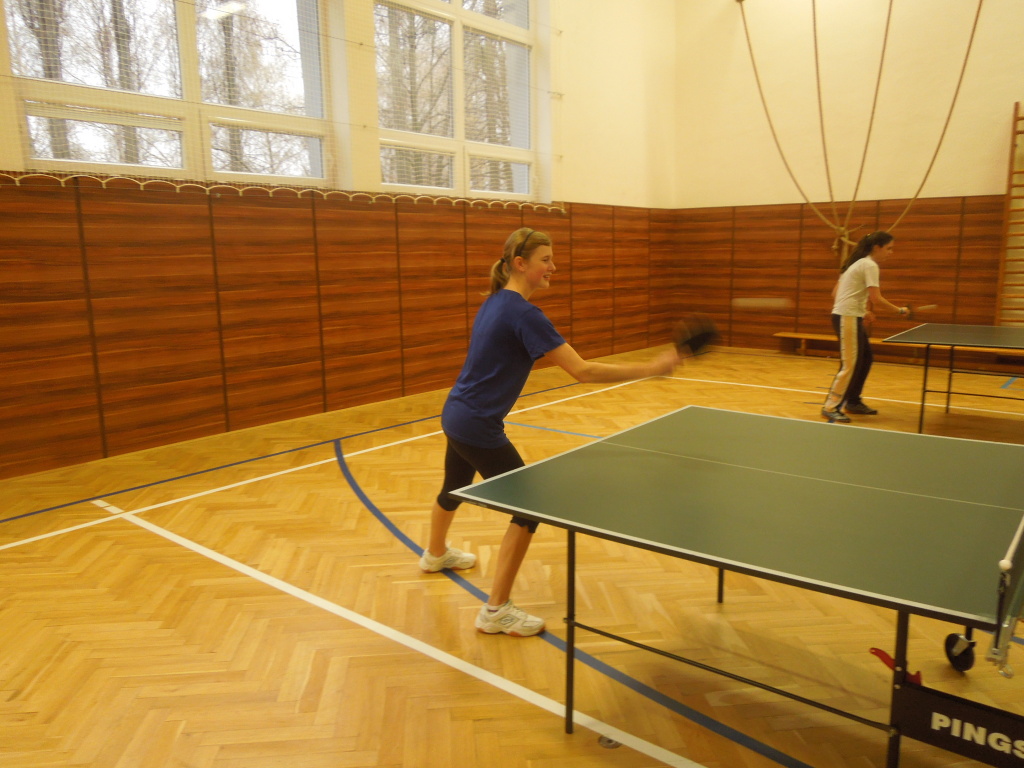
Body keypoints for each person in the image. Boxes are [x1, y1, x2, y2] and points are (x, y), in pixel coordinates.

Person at [419, 227, 681, 637]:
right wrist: (650, 369)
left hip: (455, 413)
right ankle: (495, 610)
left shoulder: (494, 301)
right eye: (546, 260)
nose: (553, 267)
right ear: (520, 264)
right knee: (528, 508)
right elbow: (583, 371)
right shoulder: (524, 314)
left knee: (454, 484)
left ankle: (435, 554)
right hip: (478, 423)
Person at [821, 230, 908, 423]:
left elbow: (836, 293)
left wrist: (863, 311)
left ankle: (852, 401)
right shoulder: (869, 265)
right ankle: (830, 407)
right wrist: (899, 310)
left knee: (866, 358)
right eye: (889, 248)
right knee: (850, 365)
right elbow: (876, 298)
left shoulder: (857, 263)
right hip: (847, 317)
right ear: (877, 247)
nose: (891, 252)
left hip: (849, 316)